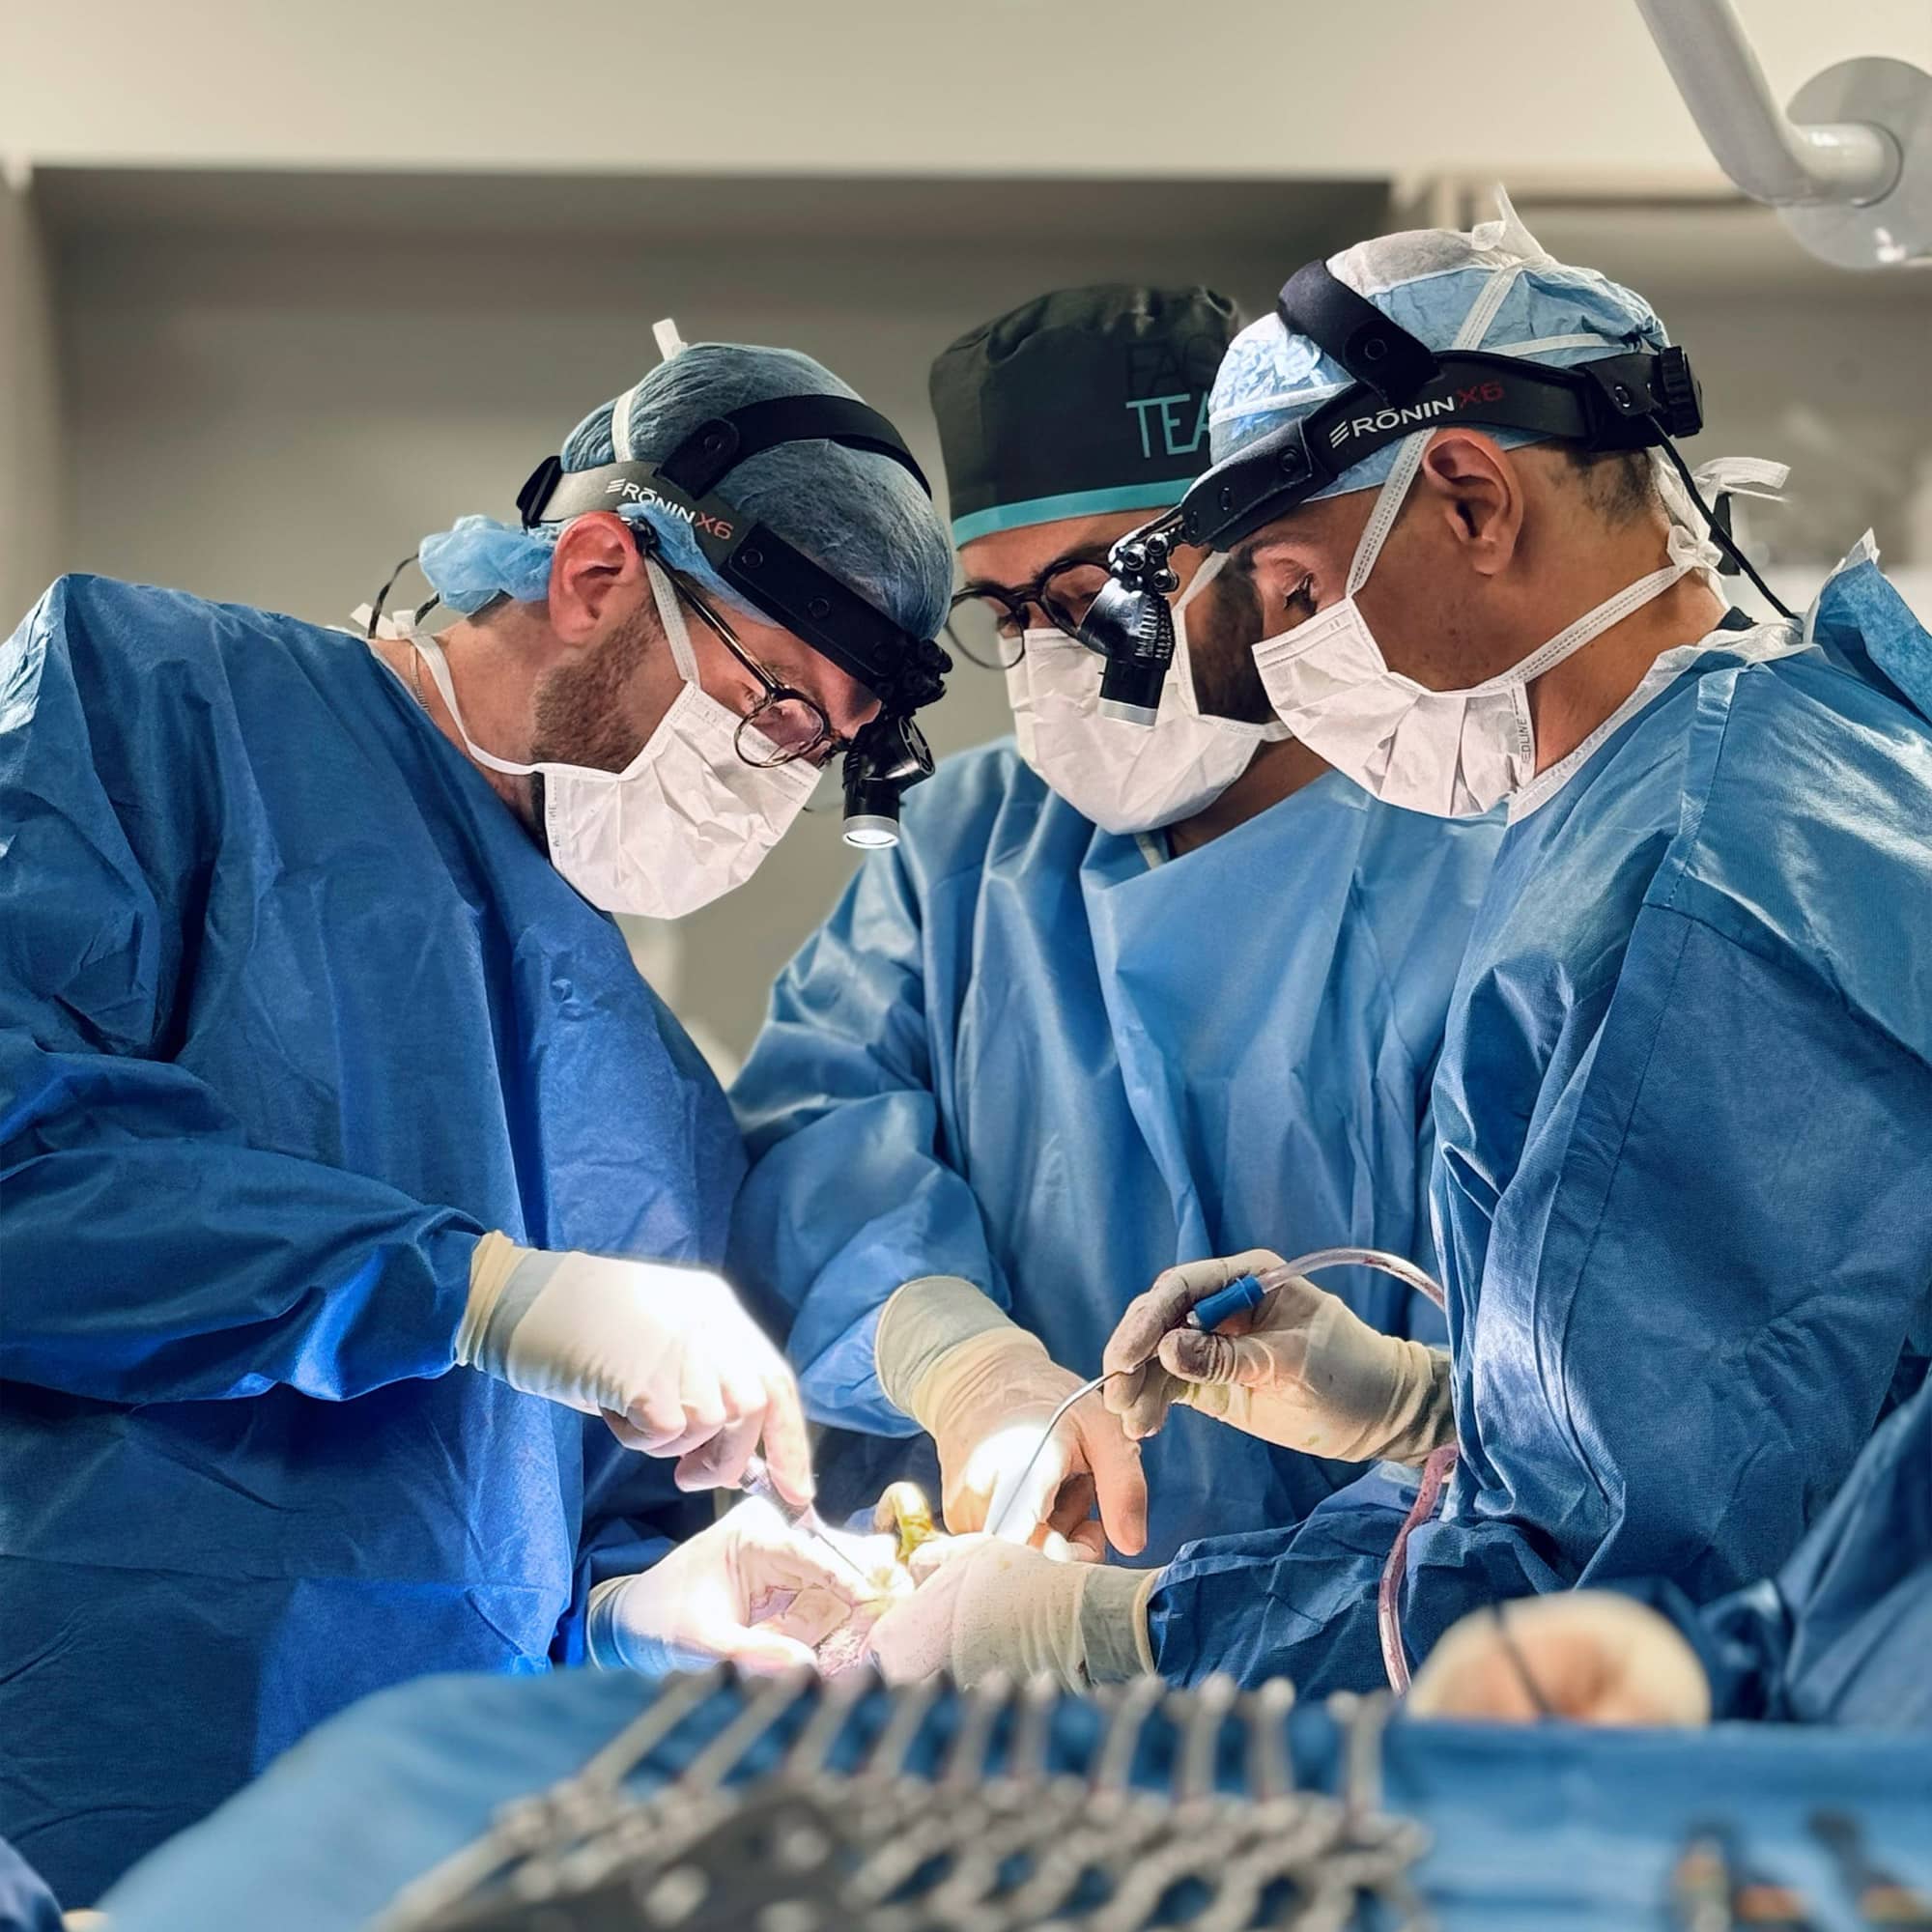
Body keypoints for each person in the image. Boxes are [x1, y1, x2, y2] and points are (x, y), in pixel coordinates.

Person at [863, 197, 1932, 1695]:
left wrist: (1112, 1634)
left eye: (1297, 592)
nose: (1290, 664)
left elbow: (1601, 1586)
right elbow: (1757, 1394)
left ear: (1473, 500)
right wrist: (1432, 1406)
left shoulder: (1692, 887)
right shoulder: (1739, 766)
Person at [0, 336, 953, 1901]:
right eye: (773, 704)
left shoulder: (648, 1076)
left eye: (820, 751)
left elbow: (544, 1547)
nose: (776, 777)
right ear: (595, 574)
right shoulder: (159, 708)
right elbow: (25, 1166)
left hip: (446, 1859)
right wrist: (475, 1292)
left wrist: (638, 1614)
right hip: (82, 1795)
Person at [726, 283, 1503, 1665]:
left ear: (1269, 551)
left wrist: (1221, 1629)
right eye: (1006, 613)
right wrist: (960, 1363)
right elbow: (818, 1153)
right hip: (998, 1664)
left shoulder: (1478, 850)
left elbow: (1577, 1391)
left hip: (1401, 1659)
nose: (1050, 658)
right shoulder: (964, 854)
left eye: (1092, 596)